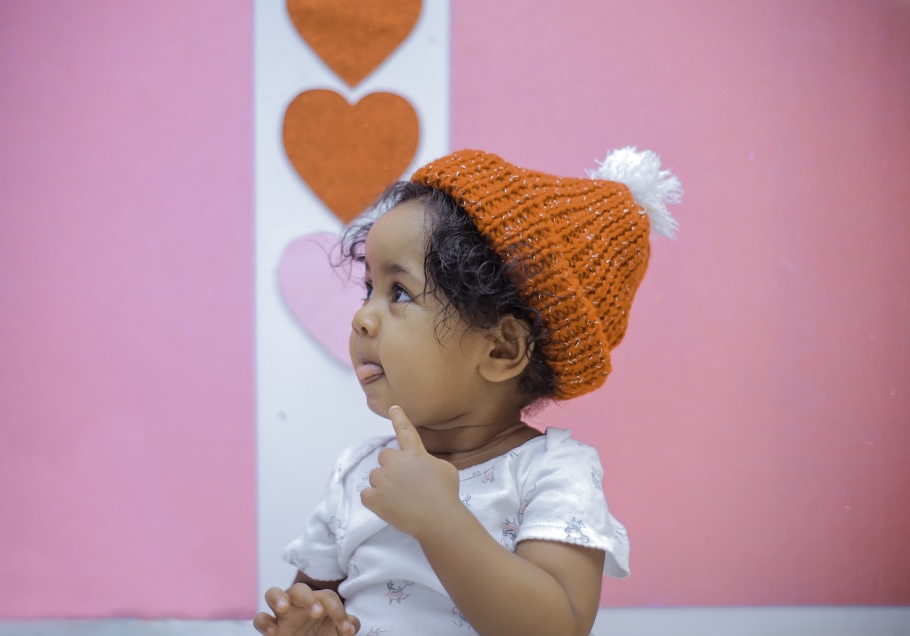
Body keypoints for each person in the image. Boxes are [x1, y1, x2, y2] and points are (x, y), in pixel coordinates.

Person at [253, 147, 682, 636]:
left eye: (398, 293)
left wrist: (441, 520)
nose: (361, 317)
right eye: (367, 288)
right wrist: (307, 622)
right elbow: (318, 598)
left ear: (500, 350)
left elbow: (556, 627)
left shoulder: (552, 476)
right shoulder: (360, 474)